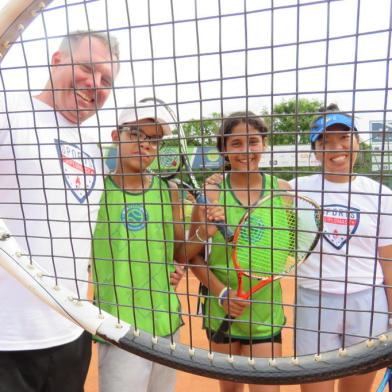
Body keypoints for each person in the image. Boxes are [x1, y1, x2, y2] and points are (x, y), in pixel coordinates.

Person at [0, 31, 120, 391]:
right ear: (56, 60)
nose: (94, 83)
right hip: (7, 340)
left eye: (106, 80)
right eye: (87, 67)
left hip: (70, 332)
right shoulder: (8, 111)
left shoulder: (93, 146)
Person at [92, 102, 209, 392]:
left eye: (154, 139)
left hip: (166, 323)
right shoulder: (95, 191)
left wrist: (203, 232)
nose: (146, 145)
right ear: (116, 136)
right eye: (136, 135)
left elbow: (179, 253)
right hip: (119, 327)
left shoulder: (169, 192)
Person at [289, 104, 392, 392]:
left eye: (345, 137)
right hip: (314, 301)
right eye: (325, 140)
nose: (337, 147)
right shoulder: (294, 189)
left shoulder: (381, 195)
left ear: (358, 142)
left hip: (368, 302)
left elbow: (388, 260)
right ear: (315, 148)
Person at [190, 111, 291, 392]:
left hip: (264, 313)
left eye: (253, 141)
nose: (246, 150)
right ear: (223, 149)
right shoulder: (211, 194)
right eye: (236, 143)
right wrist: (222, 293)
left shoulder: (282, 192)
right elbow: (193, 255)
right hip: (221, 310)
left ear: (264, 144)